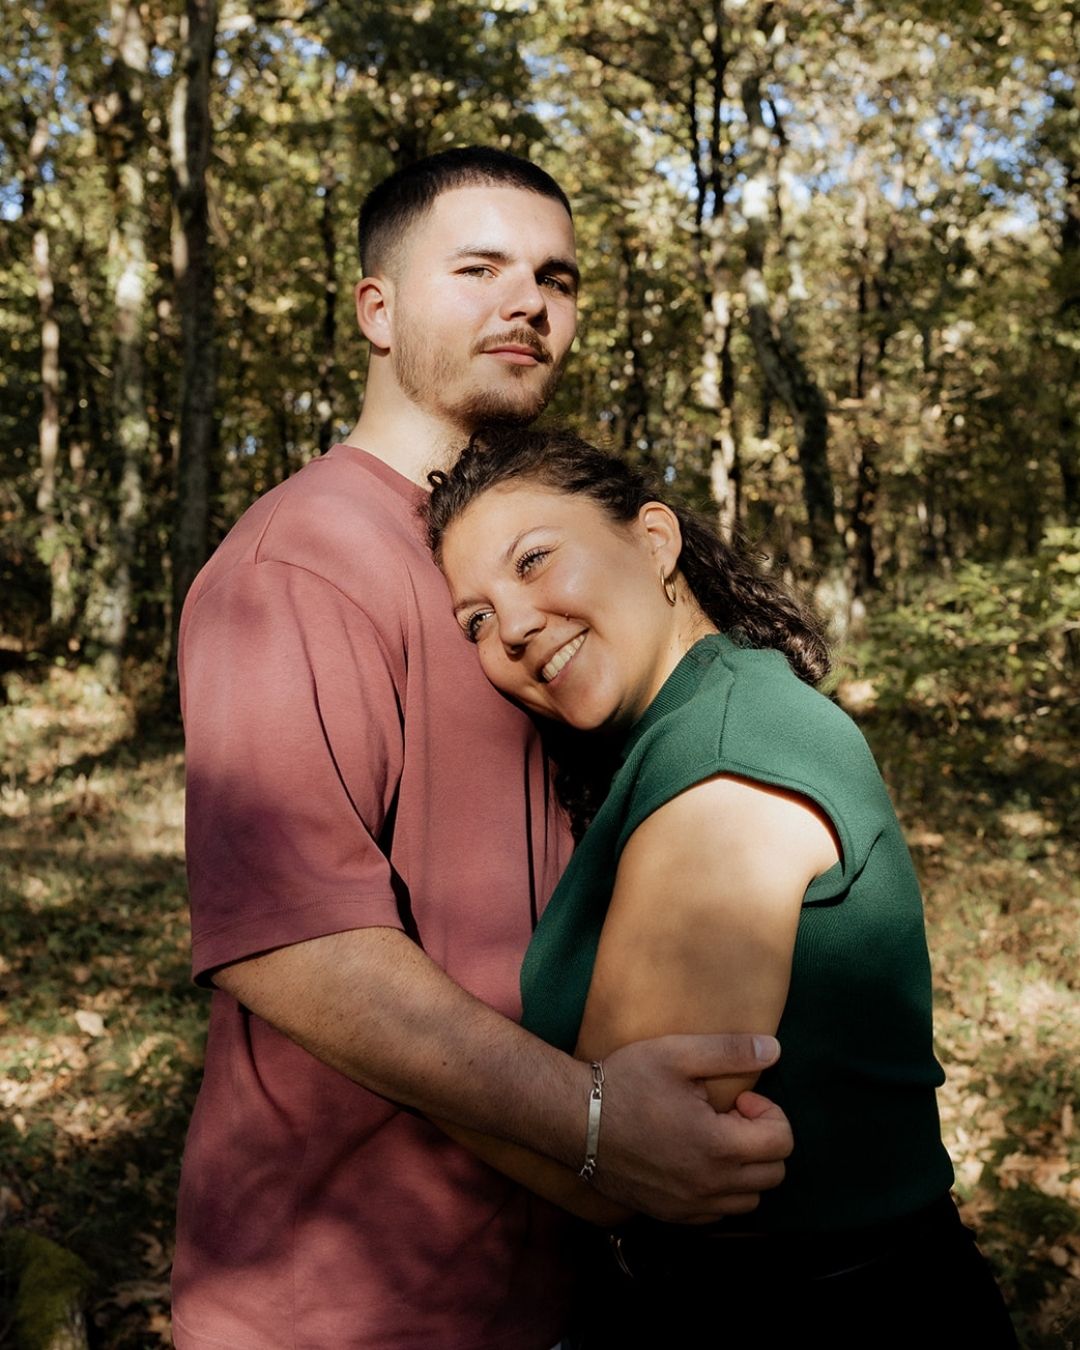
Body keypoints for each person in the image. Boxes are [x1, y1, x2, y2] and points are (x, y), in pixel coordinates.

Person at [171, 148, 794, 1349]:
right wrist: (599, 1122)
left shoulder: (533, 562)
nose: (529, 302)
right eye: (479, 269)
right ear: (377, 309)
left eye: (555, 278)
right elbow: (291, 945)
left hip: (549, 1273)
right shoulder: (301, 562)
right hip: (348, 1299)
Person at [426, 425, 1019, 1347]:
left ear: (654, 539)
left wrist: (399, 1062)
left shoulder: (725, 752)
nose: (512, 627)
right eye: (475, 619)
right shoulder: (690, 725)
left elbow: (633, 1161)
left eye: (534, 560)